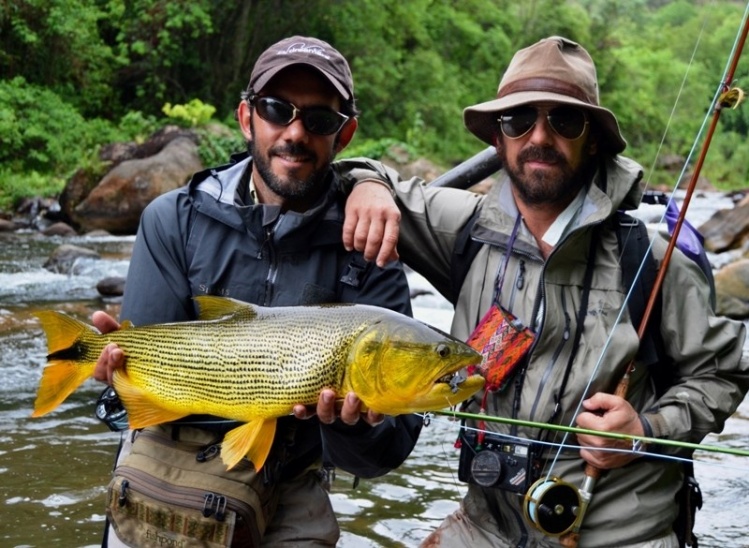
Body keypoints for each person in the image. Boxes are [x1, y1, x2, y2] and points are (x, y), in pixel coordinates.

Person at [342, 36, 749, 547]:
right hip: (484, 527)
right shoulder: (461, 229)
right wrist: (369, 186)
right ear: (497, 138)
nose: (539, 136)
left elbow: (725, 370)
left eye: (564, 120)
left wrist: (646, 428)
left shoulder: (650, 257)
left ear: (593, 139)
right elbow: (355, 172)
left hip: (622, 536)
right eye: (518, 120)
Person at [91, 35, 422, 547]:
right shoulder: (173, 221)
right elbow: (135, 403)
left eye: (318, 120)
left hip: (292, 480)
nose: (295, 133)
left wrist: (352, 427)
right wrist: (118, 380)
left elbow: (381, 458)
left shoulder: (369, 243)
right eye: (276, 110)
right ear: (247, 118)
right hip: (167, 467)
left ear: (346, 133)